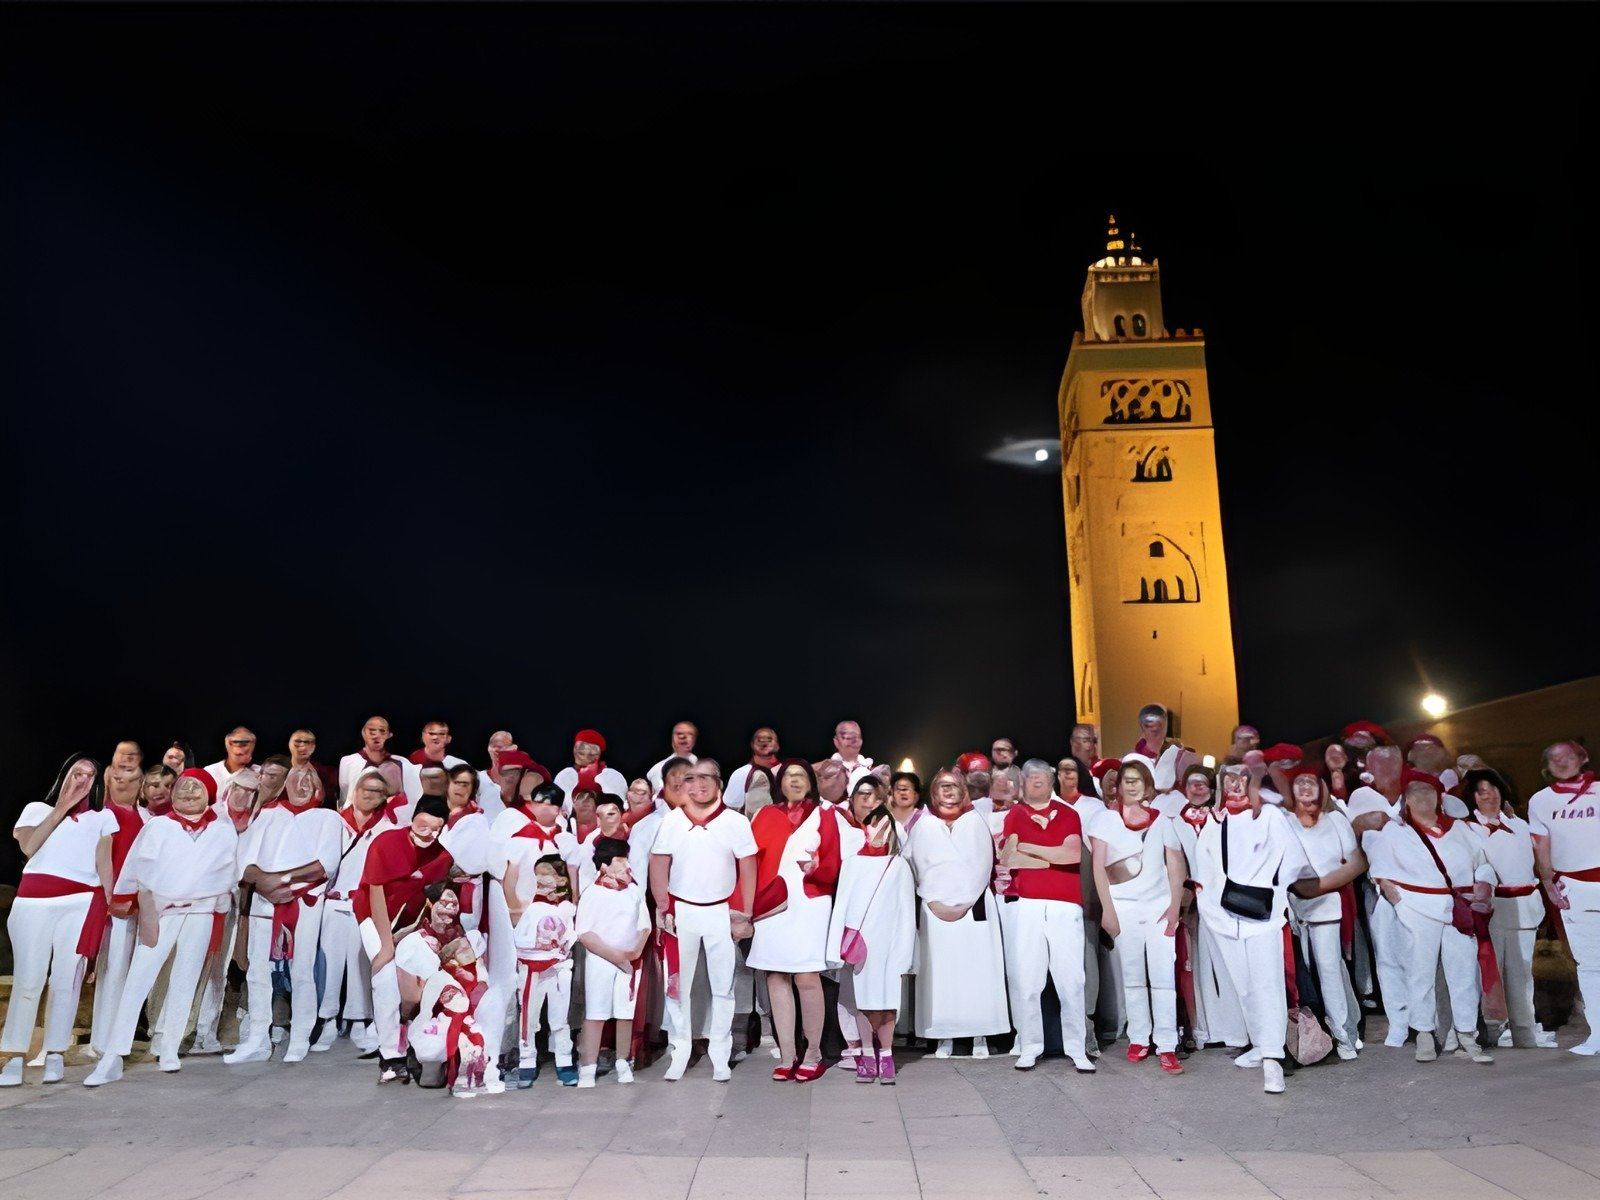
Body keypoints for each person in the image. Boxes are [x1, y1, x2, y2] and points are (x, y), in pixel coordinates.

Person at [82, 770, 241, 1086]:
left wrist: (209, 902)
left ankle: (169, 1045)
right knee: (139, 978)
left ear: (209, 793)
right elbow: (138, 868)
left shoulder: (223, 831)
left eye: (197, 788)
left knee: (185, 977)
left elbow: (227, 875)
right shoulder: (159, 826)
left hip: (201, 914)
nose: (189, 792)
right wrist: (145, 908)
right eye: (183, 787)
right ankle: (114, 1055)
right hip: (162, 912)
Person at [1191, 761, 1320, 1094]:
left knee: (1268, 985)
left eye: (1242, 780)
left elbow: (1293, 861)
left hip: (1263, 915)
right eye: (1229, 780)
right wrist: (1211, 906)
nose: (1235, 786)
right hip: (1223, 918)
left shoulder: (1270, 817)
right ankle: (1261, 1044)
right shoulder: (1214, 822)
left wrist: (1274, 891)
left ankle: (1273, 1060)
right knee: (1243, 986)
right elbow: (1203, 867)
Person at [1366, 769, 1496, 1065]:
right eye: (1414, 792)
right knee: (1419, 971)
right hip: (1416, 906)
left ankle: (1466, 1035)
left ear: (1439, 796)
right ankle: (1424, 1033)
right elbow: (1380, 867)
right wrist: (1391, 891)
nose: (1422, 797)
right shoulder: (1396, 831)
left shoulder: (1461, 829)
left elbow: (1483, 863)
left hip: (1459, 906)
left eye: (1428, 791)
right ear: (1406, 799)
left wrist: (1484, 885)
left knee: (1463, 972)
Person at [2, 755, 111, 1088]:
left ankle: (54, 1053)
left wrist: (108, 911)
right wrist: (61, 807)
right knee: (29, 980)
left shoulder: (102, 818)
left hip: (80, 903)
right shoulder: (37, 809)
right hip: (33, 903)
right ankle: (13, 1056)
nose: (82, 780)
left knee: (67, 979)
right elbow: (30, 847)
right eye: (76, 773)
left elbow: (104, 865)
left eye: (90, 776)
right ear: (64, 775)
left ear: (97, 785)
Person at [649, 759, 758, 1082]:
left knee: (723, 985)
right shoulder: (672, 821)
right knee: (678, 985)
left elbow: (748, 867)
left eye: (707, 778)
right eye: (692, 779)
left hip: (720, 911)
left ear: (719, 783)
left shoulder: (735, 822)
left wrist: (746, 912)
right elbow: (659, 861)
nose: (699, 785)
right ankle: (680, 1047)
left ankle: (720, 1051)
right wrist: (662, 905)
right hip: (681, 912)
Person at [227, 764, 339, 1064]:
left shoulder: (328, 818)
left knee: (302, 970)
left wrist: (281, 882)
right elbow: (245, 864)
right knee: (258, 971)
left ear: (319, 787)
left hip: (304, 904)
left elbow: (324, 866)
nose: (301, 785)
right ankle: (258, 1039)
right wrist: (265, 884)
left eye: (309, 780)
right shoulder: (268, 814)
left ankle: (301, 1035)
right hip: (265, 903)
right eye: (296, 779)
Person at [1089, 759, 1187, 1074]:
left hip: (1158, 907)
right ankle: (1139, 1038)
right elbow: (1098, 869)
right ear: (1118, 787)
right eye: (1126, 780)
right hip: (1124, 907)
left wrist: (1174, 907)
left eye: (1137, 780)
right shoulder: (1104, 820)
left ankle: (1167, 1044)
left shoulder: (1162, 821)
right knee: (1132, 977)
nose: (1131, 785)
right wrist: (1108, 910)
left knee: (1162, 978)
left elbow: (1175, 864)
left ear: (1147, 785)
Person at [748, 760, 841, 1082]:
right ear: (780, 783)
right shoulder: (765, 815)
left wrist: (816, 867)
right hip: (772, 902)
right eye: (789, 776)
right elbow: (750, 860)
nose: (795, 781)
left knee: (806, 976)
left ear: (810, 782)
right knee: (775, 976)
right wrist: (747, 905)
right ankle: (787, 1054)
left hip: (809, 901)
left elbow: (833, 861)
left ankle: (813, 1052)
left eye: (801, 776)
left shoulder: (825, 814)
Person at [999, 759, 1094, 1072]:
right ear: (1023, 782)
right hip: (1027, 904)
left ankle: (1076, 1048)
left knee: (1072, 979)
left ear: (1052, 780)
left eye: (1041, 777)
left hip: (1066, 904)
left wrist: (1030, 847)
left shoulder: (1069, 813)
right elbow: (1010, 857)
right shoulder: (1015, 813)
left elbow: (1072, 854)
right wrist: (1048, 855)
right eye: (1031, 778)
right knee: (1028, 978)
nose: (1036, 782)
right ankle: (1030, 1046)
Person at [909, 768, 1009, 1061]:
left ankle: (980, 1033)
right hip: (935, 910)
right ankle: (945, 1035)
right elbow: (917, 866)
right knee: (942, 975)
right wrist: (934, 901)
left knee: (977, 971)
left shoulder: (974, 822)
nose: (949, 792)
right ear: (934, 792)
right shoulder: (924, 826)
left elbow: (981, 865)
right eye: (943, 787)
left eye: (954, 786)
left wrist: (963, 903)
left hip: (972, 906)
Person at [356, 796, 453, 1082]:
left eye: (437, 828)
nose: (429, 833)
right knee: (385, 975)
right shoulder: (386, 842)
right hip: (373, 916)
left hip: (410, 924)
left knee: (419, 976)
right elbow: (374, 893)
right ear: (415, 817)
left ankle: (410, 1037)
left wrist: (407, 937)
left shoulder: (442, 857)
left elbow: (429, 901)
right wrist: (387, 946)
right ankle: (389, 1056)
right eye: (425, 824)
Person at [826, 775, 915, 1083]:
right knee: (863, 1004)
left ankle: (887, 1055)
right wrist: (833, 950)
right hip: (861, 947)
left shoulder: (900, 866)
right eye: (873, 825)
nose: (878, 832)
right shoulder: (852, 863)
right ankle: (866, 1052)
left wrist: (905, 953)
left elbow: (906, 913)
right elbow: (841, 909)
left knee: (888, 1002)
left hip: (889, 947)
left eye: (884, 826)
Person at [311, 766, 398, 1054]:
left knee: (362, 965)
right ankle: (327, 1019)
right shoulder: (334, 821)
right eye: (366, 789)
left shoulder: (387, 828)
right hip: (334, 902)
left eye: (377, 791)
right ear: (355, 791)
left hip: (363, 904)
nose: (370, 795)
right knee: (330, 963)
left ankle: (359, 1019)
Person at [1462, 766, 1549, 1049]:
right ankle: (1492, 1028)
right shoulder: (1467, 830)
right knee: (1489, 972)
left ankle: (1524, 1030)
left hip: (1523, 909)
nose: (1489, 796)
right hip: (1490, 912)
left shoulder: (1520, 826)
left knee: (1522, 972)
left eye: (1493, 789)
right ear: (1473, 797)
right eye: (1482, 791)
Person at [1284, 764, 1365, 1059]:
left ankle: (1344, 1034)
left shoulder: (1335, 821)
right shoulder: (1283, 820)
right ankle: (1312, 1033)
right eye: (1300, 783)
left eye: (1312, 783)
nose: (1306, 788)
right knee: (1302, 972)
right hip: (1290, 905)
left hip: (1327, 902)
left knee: (1329, 968)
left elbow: (1355, 861)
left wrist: (1320, 886)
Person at [1527, 740, 1600, 1055]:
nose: (1561, 761)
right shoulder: (1541, 801)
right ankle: (1598, 1034)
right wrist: (1548, 883)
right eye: (1554, 757)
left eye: (1568, 755)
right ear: (1547, 766)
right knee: (1590, 965)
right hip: (1574, 886)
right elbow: (1541, 846)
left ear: (1582, 758)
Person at [575, 837, 652, 1087]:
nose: (627, 866)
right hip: (601, 961)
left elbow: (645, 927)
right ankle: (588, 1066)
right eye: (620, 861)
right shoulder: (593, 893)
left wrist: (632, 954)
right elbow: (585, 933)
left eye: (626, 860)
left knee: (624, 1013)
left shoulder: (634, 891)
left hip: (630, 963)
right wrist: (616, 957)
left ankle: (623, 1061)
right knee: (596, 1013)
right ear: (605, 866)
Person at [85, 759, 149, 1059]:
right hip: (114, 904)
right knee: (111, 970)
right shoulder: (103, 815)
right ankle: (103, 1040)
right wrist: (110, 900)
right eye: (118, 779)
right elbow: (100, 861)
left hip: (142, 903)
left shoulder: (147, 816)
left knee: (131, 972)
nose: (124, 784)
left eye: (131, 779)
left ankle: (120, 1036)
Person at [508, 852, 578, 1087]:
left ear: (561, 879)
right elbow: (518, 935)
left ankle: (564, 1059)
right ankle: (527, 1059)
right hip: (530, 969)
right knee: (529, 1016)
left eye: (547, 874)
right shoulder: (528, 905)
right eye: (537, 874)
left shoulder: (567, 907)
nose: (541, 879)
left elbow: (571, 934)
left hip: (557, 968)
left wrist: (561, 948)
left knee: (559, 1017)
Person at [442, 764, 492, 933]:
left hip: (464, 893)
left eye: (466, 784)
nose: (460, 787)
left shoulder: (476, 820)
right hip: (442, 889)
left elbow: (472, 865)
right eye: (456, 782)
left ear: (472, 789)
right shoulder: (441, 813)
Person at [554, 729, 629, 816]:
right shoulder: (565, 775)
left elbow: (621, 806)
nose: (578, 757)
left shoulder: (612, 776)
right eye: (577, 751)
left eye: (582, 753)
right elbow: (556, 807)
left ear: (596, 755)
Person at [338, 716, 402, 805]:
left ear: (389, 735)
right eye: (372, 730)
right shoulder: (349, 761)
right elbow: (345, 797)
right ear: (363, 733)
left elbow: (403, 798)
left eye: (382, 731)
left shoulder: (399, 764)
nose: (377, 735)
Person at [724, 727, 782, 812]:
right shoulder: (740, 773)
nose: (764, 743)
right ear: (752, 744)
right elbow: (731, 808)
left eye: (769, 739)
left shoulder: (789, 772)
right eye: (760, 740)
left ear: (777, 745)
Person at [647, 721, 700, 793]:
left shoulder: (705, 769)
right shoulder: (658, 769)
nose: (683, 737)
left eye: (689, 734)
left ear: (694, 740)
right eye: (679, 734)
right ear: (672, 739)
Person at [829, 720, 875, 789]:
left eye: (856, 736)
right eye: (846, 736)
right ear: (836, 741)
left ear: (861, 741)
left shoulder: (872, 774)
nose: (852, 741)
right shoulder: (823, 775)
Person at [887, 770, 924, 837]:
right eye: (899, 789)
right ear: (892, 793)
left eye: (906, 789)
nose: (902, 793)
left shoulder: (925, 821)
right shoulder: (884, 820)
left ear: (916, 794)